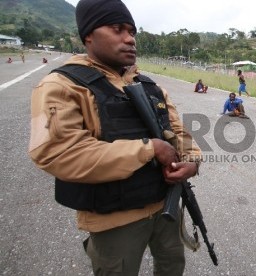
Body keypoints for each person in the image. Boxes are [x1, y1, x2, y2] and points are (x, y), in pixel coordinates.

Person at [28, 0, 201, 275]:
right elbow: (58, 152)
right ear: (88, 35)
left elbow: (180, 134)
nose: (129, 38)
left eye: (132, 31)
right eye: (117, 29)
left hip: (165, 206)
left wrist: (192, 163)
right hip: (115, 220)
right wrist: (149, 149)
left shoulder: (150, 86)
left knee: (172, 265)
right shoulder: (63, 86)